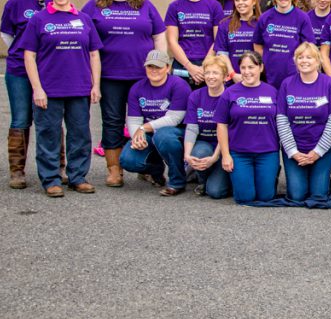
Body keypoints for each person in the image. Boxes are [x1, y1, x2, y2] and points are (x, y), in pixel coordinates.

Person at [82, 0, 167, 187]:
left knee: (149, 120)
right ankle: (114, 169)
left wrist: (162, 65)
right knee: (113, 121)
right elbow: (82, 36)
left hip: (144, 76)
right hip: (110, 76)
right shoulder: (95, 5)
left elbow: (159, 36)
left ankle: (146, 166)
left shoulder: (145, 5)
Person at [21, 0, 101, 197]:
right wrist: (37, 88)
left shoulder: (84, 19)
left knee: (80, 134)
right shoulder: (39, 19)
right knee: (48, 134)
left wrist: (96, 85)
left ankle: (77, 177)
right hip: (49, 89)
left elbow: (94, 54)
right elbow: (29, 56)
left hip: (79, 88)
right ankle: (51, 180)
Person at [0, 0, 52, 189]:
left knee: (51, 119)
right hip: (19, 70)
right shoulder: (15, 3)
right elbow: (7, 36)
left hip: (49, 71)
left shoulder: (56, 0)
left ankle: (56, 168)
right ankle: (17, 171)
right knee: (21, 118)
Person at [276, 43, 331, 201]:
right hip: (295, 149)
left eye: (309, 57)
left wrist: (317, 152)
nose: (304, 61)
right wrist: (293, 152)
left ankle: (328, 179)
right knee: (297, 195)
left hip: (322, 149)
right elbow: (282, 120)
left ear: (318, 61)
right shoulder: (287, 84)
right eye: (300, 57)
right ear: (295, 60)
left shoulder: (329, 84)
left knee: (318, 195)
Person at [120, 50, 191, 196]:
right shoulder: (137, 88)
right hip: (148, 133)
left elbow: (174, 118)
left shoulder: (179, 85)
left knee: (163, 136)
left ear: (167, 67)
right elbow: (133, 120)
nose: (154, 70)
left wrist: (144, 127)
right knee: (127, 160)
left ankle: (177, 182)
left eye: (158, 67)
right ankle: (155, 170)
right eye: (150, 66)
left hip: (175, 133)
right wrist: (136, 138)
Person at [216, 51, 281, 204]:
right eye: (243, 68)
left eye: (251, 67)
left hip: (267, 152)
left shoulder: (272, 92)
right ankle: (242, 182)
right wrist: (226, 155)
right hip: (240, 153)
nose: (246, 72)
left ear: (261, 68)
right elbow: (221, 125)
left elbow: (281, 122)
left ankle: (269, 177)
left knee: (266, 197)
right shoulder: (230, 93)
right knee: (245, 198)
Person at [165, 0, 224, 88]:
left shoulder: (214, 6)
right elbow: (172, 41)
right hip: (182, 64)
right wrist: (189, 66)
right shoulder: (174, 7)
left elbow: (218, 39)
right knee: (181, 104)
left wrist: (204, 66)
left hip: (208, 64)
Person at [253, 0, 315, 88]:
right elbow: (258, 45)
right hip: (269, 76)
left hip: (295, 76)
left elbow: (309, 47)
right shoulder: (265, 18)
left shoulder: (302, 18)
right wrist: (264, 64)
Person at [183, 55, 231, 199]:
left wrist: (216, 157)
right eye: (207, 72)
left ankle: (219, 177)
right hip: (204, 143)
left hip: (225, 146)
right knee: (199, 153)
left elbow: (226, 131)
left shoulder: (230, 95)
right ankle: (202, 179)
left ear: (225, 77)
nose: (210, 77)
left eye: (215, 73)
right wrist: (187, 155)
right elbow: (192, 127)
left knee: (216, 192)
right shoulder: (196, 96)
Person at [211, 0, 261, 83]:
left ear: (254, 1)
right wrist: (233, 74)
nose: (240, 3)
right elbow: (221, 53)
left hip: (257, 79)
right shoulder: (225, 24)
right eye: (237, 0)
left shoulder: (261, 23)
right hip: (232, 79)